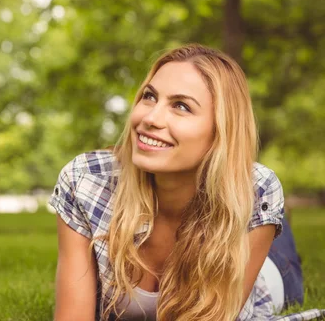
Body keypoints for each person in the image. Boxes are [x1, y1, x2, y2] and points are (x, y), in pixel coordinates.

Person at [49, 44, 325, 321]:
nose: (151, 118)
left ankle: (278, 226)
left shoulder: (258, 190)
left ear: (221, 130)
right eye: (149, 96)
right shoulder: (85, 180)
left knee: (285, 270)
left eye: (181, 106)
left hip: (265, 268)